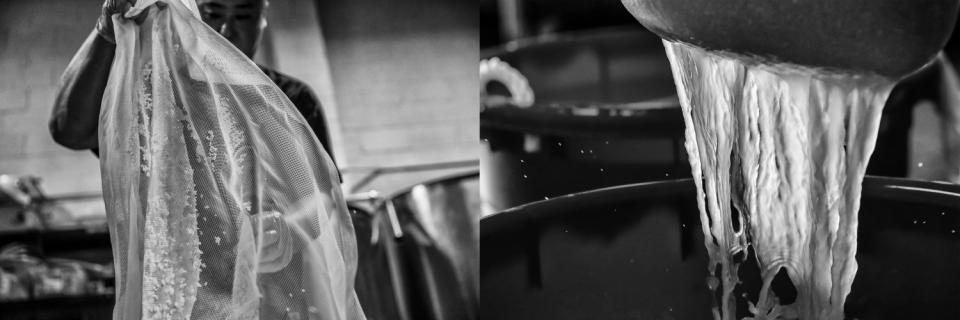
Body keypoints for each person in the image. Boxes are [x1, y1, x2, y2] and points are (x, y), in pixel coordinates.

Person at [49, 0, 335, 163]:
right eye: (213, 14)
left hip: (270, 267)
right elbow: (69, 131)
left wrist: (285, 232)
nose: (225, 29)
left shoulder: (291, 99)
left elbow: (322, 198)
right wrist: (106, 30)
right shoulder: (152, 97)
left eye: (244, 16)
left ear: (262, 20)